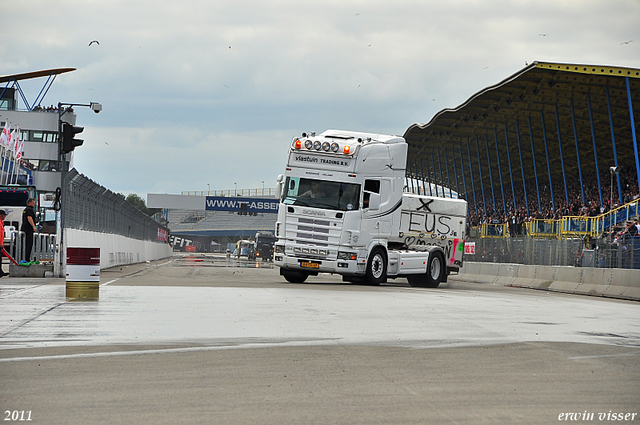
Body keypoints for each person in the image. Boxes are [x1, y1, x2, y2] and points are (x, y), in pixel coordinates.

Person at [21, 198, 37, 263]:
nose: (34, 204)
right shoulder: (30, 210)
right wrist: (33, 226)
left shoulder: (25, 209)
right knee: (29, 244)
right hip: (28, 229)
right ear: (30, 203)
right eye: (33, 202)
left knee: (24, 244)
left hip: (24, 228)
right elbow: (29, 217)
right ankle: (27, 258)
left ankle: (23, 257)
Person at [0, 210, 7, 277]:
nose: (5, 217)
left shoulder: (1, 223)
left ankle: (0, 271)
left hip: (1, 242)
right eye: (4, 215)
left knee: (0, 258)